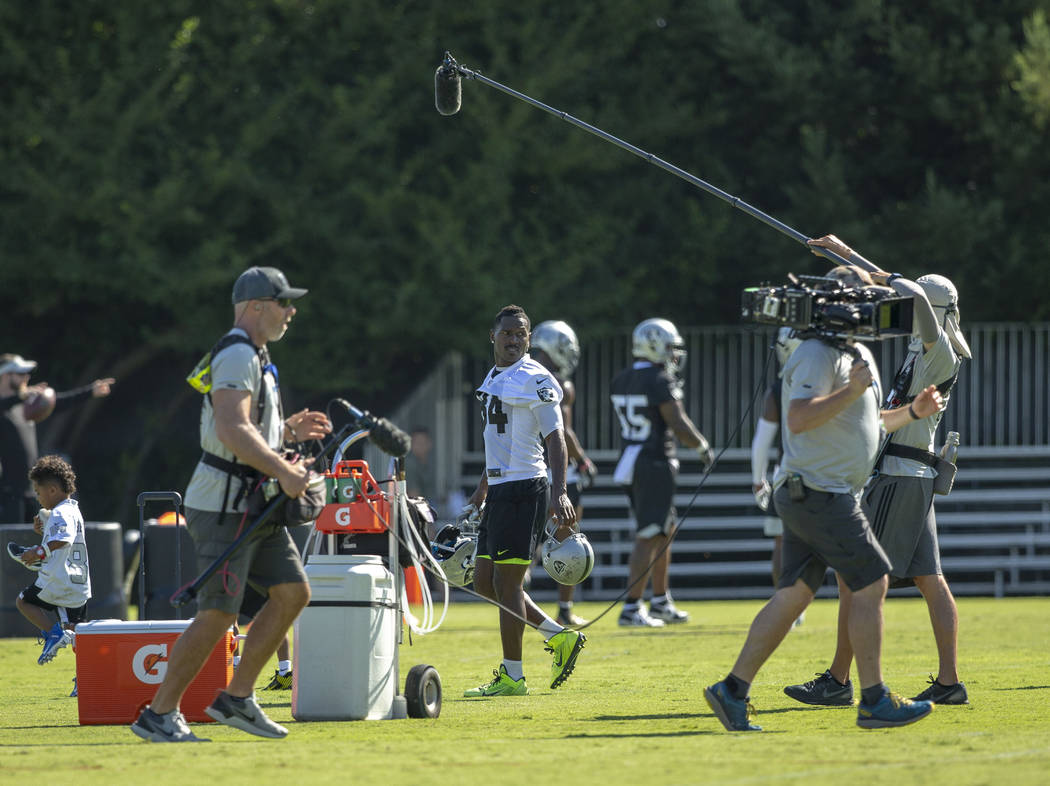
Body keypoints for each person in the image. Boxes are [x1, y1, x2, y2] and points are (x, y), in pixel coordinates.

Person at [705, 264, 943, 732]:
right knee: (872, 579)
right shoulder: (816, 352)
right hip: (820, 493)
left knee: (795, 593)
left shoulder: (852, 351)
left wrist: (911, 412)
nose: (875, 303)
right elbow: (798, 418)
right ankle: (874, 699)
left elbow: (868, 423)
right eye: (864, 294)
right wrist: (851, 389)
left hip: (815, 491)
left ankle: (731, 690)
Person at [131, 266, 331, 743]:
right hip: (225, 507)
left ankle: (236, 699)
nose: (291, 311)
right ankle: (159, 714)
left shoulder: (252, 355)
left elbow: (244, 430)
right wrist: (285, 471)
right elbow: (230, 428)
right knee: (219, 613)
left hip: (247, 504)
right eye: (283, 302)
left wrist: (285, 435)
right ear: (256, 306)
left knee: (292, 592)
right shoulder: (240, 352)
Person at [781, 235, 971, 707]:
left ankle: (840, 681)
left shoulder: (939, 348)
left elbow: (913, 297)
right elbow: (900, 290)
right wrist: (845, 257)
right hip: (910, 475)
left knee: (856, 578)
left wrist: (880, 274)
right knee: (930, 579)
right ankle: (949, 683)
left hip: (902, 476)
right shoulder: (923, 345)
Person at [462, 304, 586, 697]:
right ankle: (558, 636)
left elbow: (556, 438)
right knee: (484, 581)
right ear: (493, 337)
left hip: (525, 489)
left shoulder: (536, 378)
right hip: (499, 490)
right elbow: (496, 440)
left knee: (507, 583)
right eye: (507, 333)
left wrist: (560, 491)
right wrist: (483, 487)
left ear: (529, 339)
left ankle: (512, 675)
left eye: (521, 334)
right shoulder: (496, 375)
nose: (514, 340)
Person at [610, 318, 713, 627]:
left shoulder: (622, 378)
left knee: (664, 530)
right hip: (654, 461)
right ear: (654, 345)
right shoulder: (658, 380)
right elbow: (678, 424)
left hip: (631, 459)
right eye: (669, 348)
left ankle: (659, 600)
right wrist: (701, 446)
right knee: (649, 534)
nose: (673, 355)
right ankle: (631, 607)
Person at [529, 319, 598, 627]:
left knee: (525, 541)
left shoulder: (518, 376)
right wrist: (582, 460)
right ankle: (565, 607)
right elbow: (563, 431)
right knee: (567, 537)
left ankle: (519, 599)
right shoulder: (559, 384)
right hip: (556, 472)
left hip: (525, 468)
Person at [0, 354, 113, 523]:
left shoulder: (25, 405)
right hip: (8, 494)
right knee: (8, 545)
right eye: (21, 373)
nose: (27, 377)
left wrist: (90, 392)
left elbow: (58, 402)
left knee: (32, 545)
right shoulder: (5, 407)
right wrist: (21, 396)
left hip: (31, 491)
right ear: (5, 375)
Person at [9, 455, 91, 666]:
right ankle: (86, 679)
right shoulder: (72, 509)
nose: (38, 498)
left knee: (23, 601)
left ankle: (53, 634)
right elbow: (63, 540)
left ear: (53, 490)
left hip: (58, 581)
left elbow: (62, 540)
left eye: (38, 492)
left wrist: (37, 552)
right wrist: (43, 532)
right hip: (77, 583)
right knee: (76, 635)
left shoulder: (61, 512)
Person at [750, 327, 804, 626]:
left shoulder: (779, 387)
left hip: (785, 473)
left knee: (783, 543)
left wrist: (759, 479)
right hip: (825, 471)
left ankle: (786, 603)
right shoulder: (827, 379)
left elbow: (761, 441)